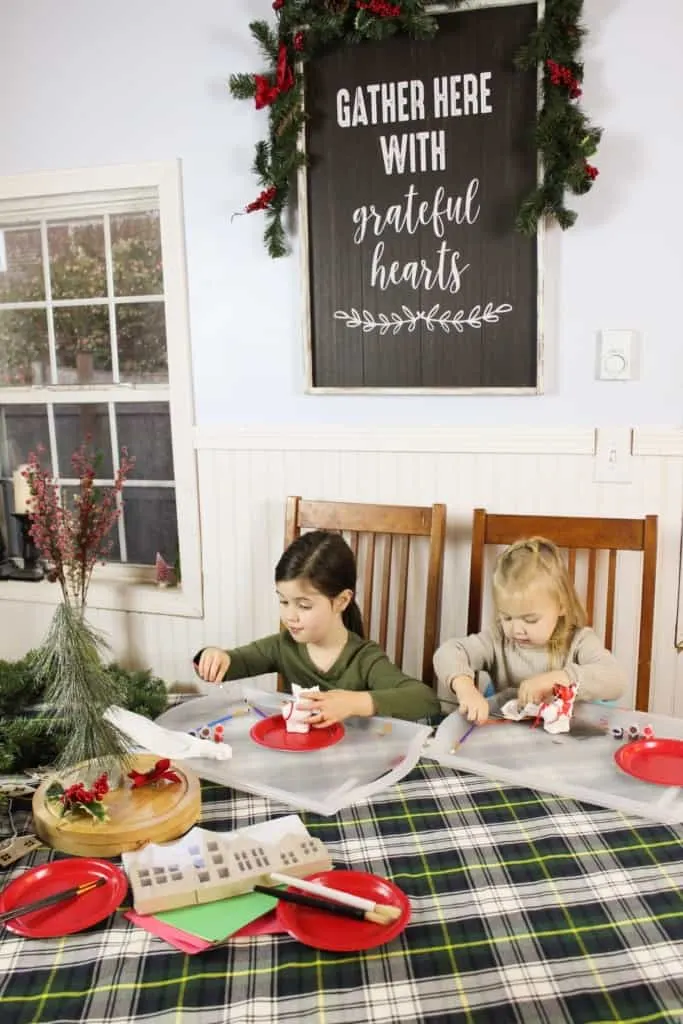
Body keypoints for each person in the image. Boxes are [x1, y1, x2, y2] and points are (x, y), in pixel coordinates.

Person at [195, 529, 440, 726]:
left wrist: (352, 703)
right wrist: (212, 656)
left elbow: (426, 700)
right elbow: (233, 662)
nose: (289, 616)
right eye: (283, 601)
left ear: (341, 601)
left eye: (303, 605)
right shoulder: (282, 647)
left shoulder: (364, 659)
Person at [434, 536, 627, 724]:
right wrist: (465, 687)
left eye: (530, 619)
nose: (517, 629)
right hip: (512, 744)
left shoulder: (579, 641)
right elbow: (448, 652)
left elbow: (616, 680)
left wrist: (560, 678)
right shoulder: (498, 638)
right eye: (506, 617)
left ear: (562, 606)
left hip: (570, 744)